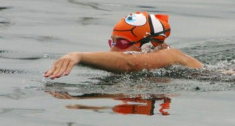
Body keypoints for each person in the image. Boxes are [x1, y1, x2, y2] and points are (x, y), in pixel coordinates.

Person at [44, 11, 203, 79]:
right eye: (112, 42)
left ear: (148, 44)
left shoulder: (172, 56)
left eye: (122, 43)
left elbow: (130, 63)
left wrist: (78, 56)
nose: (113, 49)